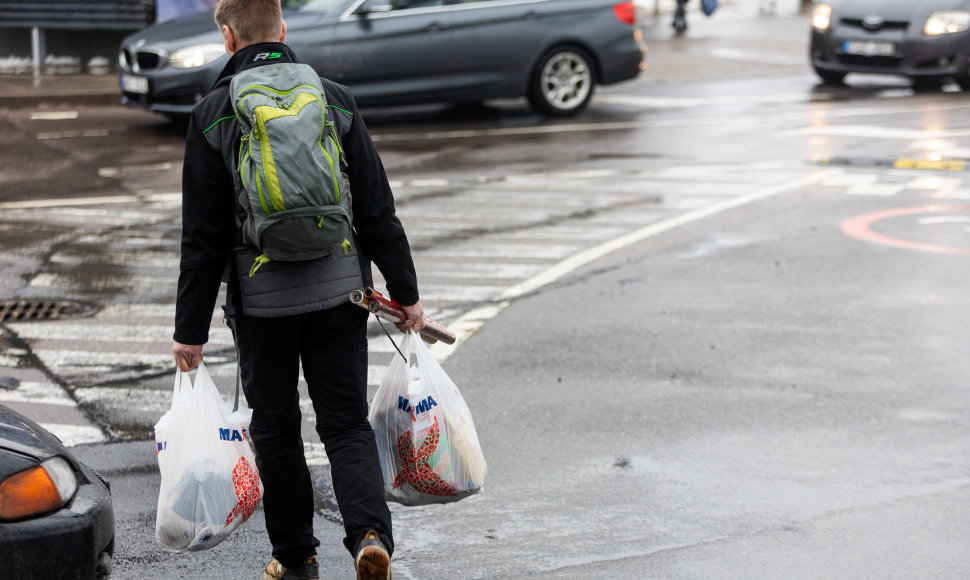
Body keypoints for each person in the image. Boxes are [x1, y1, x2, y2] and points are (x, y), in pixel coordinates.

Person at [171, 1, 425, 578]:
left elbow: (203, 238)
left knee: (277, 428)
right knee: (345, 423)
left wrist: (189, 333)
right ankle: (367, 535)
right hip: (341, 294)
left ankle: (296, 556)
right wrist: (405, 293)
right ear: (283, 31)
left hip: (263, 307)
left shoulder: (213, 114)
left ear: (228, 37)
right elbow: (377, 208)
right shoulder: (333, 97)